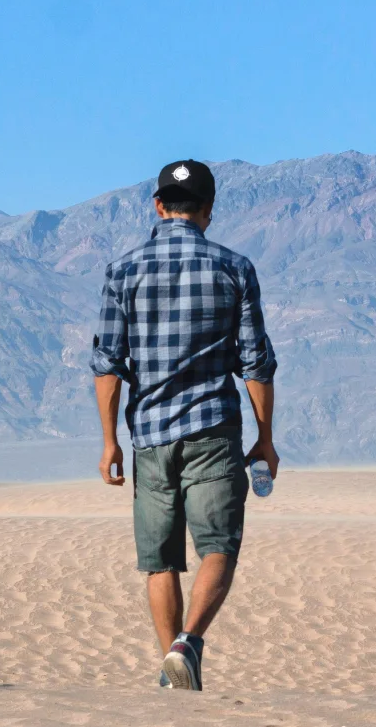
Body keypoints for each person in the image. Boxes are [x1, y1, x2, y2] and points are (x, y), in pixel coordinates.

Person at [90, 158, 280, 693]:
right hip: (214, 429)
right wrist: (264, 437)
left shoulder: (123, 270)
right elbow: (256, 362)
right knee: (218, 546)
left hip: (149, 436)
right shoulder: (235, 268)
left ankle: (173, 666)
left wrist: (109, 442)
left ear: (158, 207)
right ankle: (188, 645)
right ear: (209, 211)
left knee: (160, 561)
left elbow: (108, 364)